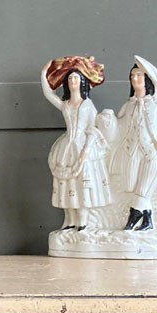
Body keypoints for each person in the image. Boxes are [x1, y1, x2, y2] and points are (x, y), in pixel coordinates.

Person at [109, 55, 157, 230]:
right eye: (132, 75)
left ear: (147, 79)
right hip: (131, 154)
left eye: (139, 75)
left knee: (143, 189)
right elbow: (118, 127)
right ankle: (148, 221)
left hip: (151, 154)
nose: (135, 79)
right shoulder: (128, 106)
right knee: (133, 187)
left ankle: (133, 219)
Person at [41, 56, 111, 230]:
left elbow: (92, 128)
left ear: (82, 82)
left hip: (82, 147)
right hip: (66, 147)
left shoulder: (87, 105)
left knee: (81, 184)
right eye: (70, 78)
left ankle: (83, 222)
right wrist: (44, 74)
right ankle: (70, 221)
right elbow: (49, 95)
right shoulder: (65, 105)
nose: (73, 81)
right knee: (67, 185)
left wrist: (87, 148)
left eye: (76, 78)